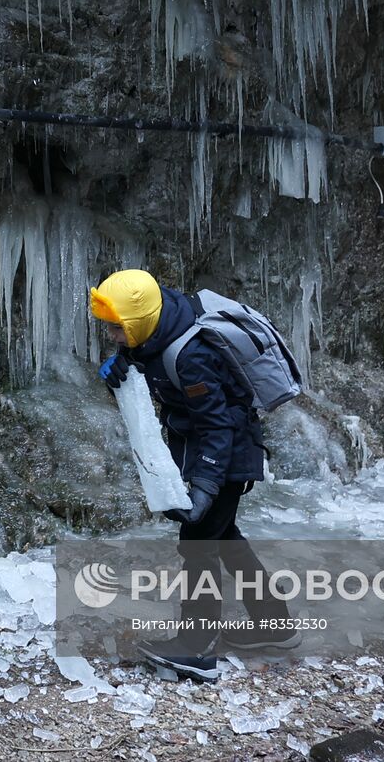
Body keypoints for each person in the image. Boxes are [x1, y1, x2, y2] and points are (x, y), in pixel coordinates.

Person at [90, 268, 297, 681]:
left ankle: (197, 648)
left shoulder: (193, 354)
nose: (112, 335)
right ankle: (275, 625)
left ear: (140, 321)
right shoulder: (159, 325)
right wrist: (121, 363)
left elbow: (218, 426)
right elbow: (146, 354)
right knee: (225, 538)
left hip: (227, 454)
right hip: (207, 449)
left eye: (118, 330)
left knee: (198, 547)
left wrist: (205, 485)